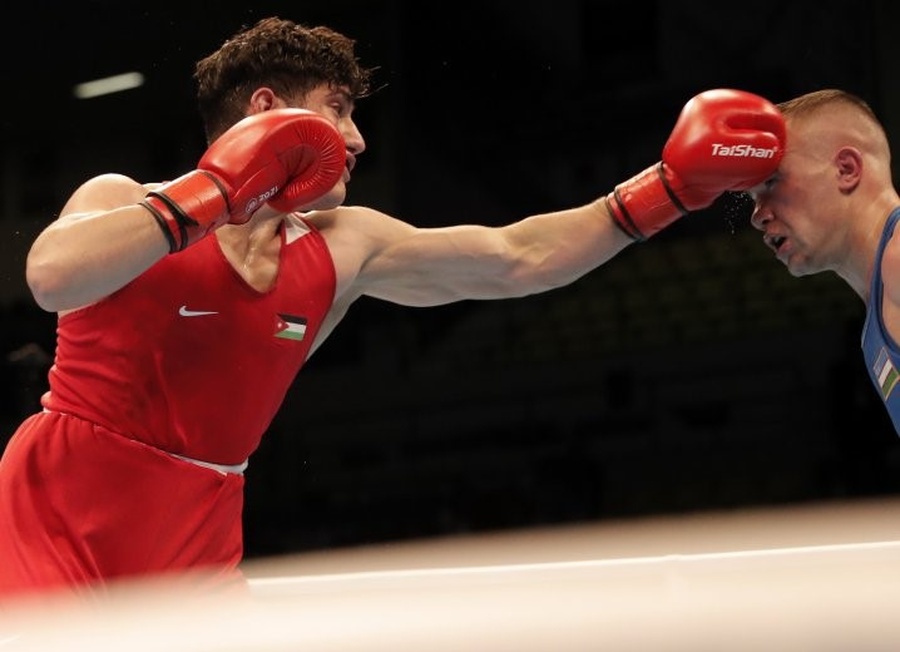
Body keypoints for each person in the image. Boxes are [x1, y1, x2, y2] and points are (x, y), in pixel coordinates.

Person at [0, 15, 785, 600]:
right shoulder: (125, 200)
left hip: (199, 526)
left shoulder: (344, 246)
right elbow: (51, 276)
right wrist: (213, 193)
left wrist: (667, 191)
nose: (358, 138)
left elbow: (516, 257)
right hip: (60, 509)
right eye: (339, 110)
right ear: (268, 110)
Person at [749, 89, 900, 435]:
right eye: (752, 197)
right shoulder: (874, 325)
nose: (757, 215)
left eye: (772, 182)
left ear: (846, 169)